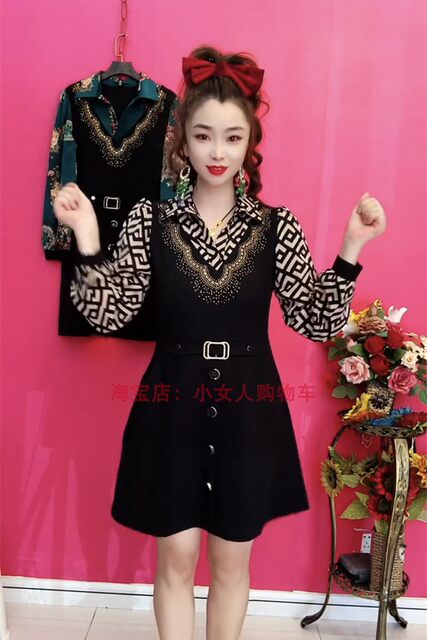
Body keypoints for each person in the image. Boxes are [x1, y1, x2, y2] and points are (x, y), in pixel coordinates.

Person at [53, 45, 386, 640]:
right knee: (177, 557)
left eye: (232, 138)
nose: (217, 152)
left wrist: (351, 249)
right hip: (171, 405)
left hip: (248, 410)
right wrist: (86, 234)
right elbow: (110, 311)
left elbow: (316, 319)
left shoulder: (276, 227)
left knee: (232, 562)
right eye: (204, 136)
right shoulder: (152, 221)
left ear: (249, 142)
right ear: (183, 139)